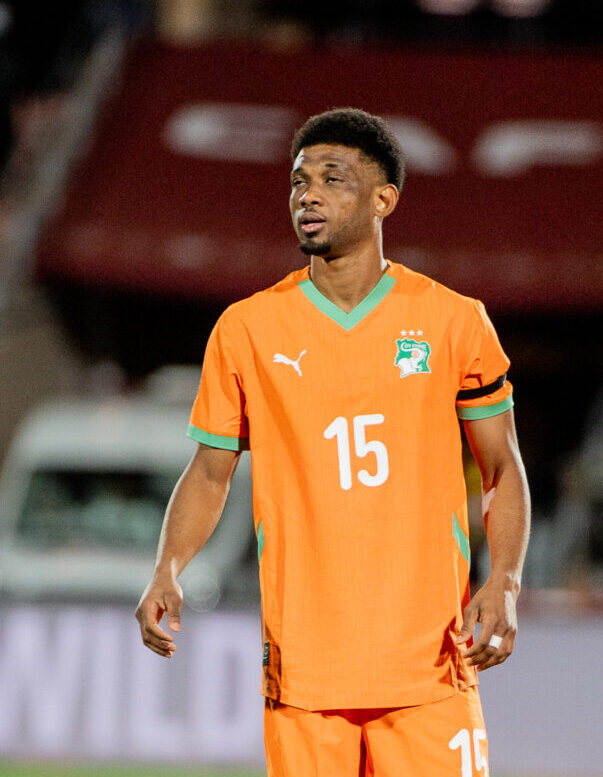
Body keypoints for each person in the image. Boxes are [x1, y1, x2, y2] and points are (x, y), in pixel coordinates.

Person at [136, 108, 530, 776]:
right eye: (297, 181)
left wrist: (507, 578)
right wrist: (167, 566)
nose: (307, 194)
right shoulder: (247, 330)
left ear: (383, 200)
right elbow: (209, 473)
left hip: (429, 666)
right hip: (304, 675)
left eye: (331, 178)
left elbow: (501, 467)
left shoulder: (454, 321)